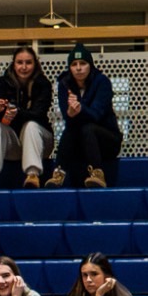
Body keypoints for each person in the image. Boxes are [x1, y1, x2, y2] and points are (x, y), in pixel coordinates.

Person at [0, 46, 55, 190]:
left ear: (35, 64)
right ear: (13, 64)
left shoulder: (43, 83)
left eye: (28, 62)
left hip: (40, 142)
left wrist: (15, 111)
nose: (24, 67)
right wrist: (6, 114)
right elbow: (1, 117)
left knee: (30, 126)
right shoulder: (2, 82)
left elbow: (38, 114)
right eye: (20, 62)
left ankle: (33, 175)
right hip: (14, 145)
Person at [54, 44, 122, 188]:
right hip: (81, 143)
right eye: (74, 64)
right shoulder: (64, 84)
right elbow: (68, 117)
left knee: (88, 128)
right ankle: (58, 174)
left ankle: (97, 173)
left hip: (107, 140)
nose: (78, 68)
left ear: (90, 65)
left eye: (83, 63)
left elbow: (97, 115)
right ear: (69, 68)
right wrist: (70, 114)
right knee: (72, 129)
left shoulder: (101, 81)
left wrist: (80, 109)